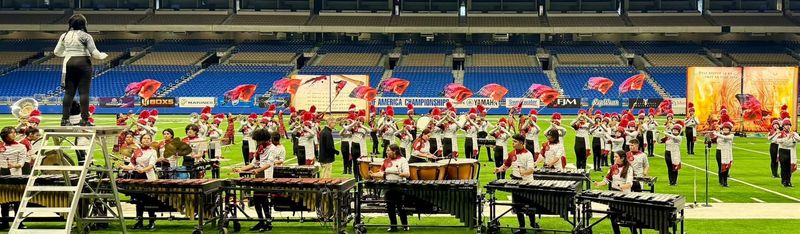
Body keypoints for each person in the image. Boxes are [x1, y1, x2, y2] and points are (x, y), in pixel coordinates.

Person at [54, 14, 108, 126]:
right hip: (83, 62)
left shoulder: (64, 36)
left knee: (69, 93)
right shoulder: (86, 36)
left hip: (68, 63)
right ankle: (84, 119)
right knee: (84, 93)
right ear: (84, 24)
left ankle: (65, 119)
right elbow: (95, 53)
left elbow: (56, 52)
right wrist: (103, 55)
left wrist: (68, 54)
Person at [233, 129, 277, 231]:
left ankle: (268, 222)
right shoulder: (260, 148)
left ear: (264, 139)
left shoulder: (272, 148)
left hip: (266, 176)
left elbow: (269, 164)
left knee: (264, 200)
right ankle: (261, 221)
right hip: (258, 176)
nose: (257, 142)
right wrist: (240, 169)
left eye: (258, 140)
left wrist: (257, 170)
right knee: (257, 200)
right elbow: (254, 163)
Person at [494, 134, 537, 233]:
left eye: (515, 141)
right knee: (518, 207)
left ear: (521, 143)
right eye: (512, 141)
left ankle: (533, 224)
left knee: (529, 206)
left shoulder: (528, 154)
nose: (512, 143)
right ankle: (522, 229)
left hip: (527, 183)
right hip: (516, 183)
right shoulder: (512, 153)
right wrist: (499, 169)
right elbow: (506, 166)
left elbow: (531, 170)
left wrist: (524, 173)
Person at [119, 134, 158, 230]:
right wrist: (123, 167)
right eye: (144, 138)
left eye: (148, 138)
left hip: (148, 177)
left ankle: (151, 222)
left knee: (149, 200)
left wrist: (144, 170)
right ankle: (139, 221)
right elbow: (132, 164)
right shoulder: (136, 151)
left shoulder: (153, 151)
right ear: (141, 140)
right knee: (139, 200)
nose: (147, 140)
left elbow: (152, 164)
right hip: (138, 177)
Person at [593, 150, 635, 234]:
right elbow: (606, 180)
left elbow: (630, 183)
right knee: (613, 216)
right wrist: (599, 183)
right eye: (614, 156)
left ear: (622, 158)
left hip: (625, 196)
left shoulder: (629, 168)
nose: (614, 158)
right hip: (614, 195)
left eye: (616, 157)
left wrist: (623, 186)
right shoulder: (613, 167)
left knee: (628, 219)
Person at [369, 144, 409, 232]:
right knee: (390, 207)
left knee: (400, 207)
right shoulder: (386, 161)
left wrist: (398, 173)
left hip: (399, 186)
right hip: (388, 186)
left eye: (388, 150)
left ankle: (405, 225)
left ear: (394, 151)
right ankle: (393, 226)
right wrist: (373, 175)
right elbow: (381, 173)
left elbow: (407, 174)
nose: (386, 152)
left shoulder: (403, 160)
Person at [777, 119, 798, 187]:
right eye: (786, 125)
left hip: (791, 151)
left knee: (790, 168)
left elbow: (798, 139)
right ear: (783, 126)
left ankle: (788, 181)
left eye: (789, 125)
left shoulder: (793, 133)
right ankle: (784, 181)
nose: (788, 126)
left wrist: (793, 136)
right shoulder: (780, 133)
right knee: (784, 167)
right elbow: (779, 141)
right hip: (783, 151)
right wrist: (788, 138)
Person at [714, 122, 734, 187]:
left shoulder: (731, 135)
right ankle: (721, 181)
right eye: (724, 129)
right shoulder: (720, 135)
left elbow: (726, 138)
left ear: (729, 130)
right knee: (720, 167)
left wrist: (717, 134)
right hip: (719, 152)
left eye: (727, 129)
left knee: (726, 168)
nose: (725, 130)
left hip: (727, 153)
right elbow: (714, 140)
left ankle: (725, 182)